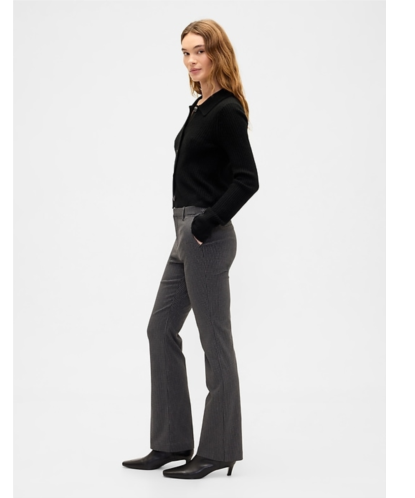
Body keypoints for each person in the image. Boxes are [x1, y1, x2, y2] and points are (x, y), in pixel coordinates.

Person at [122, 19, 260, 480]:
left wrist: (206, 222)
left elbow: (247, 180)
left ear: (218, 53)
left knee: (214, 341)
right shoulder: (199, 107)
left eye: (199, 50)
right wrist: (189, 227)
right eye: (185, 52)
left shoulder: (226, 110)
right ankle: (171, 442)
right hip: (184, 234)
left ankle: (218, 449)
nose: (191, 60)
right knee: (160, 329)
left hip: (206, 236)